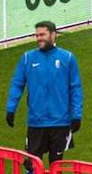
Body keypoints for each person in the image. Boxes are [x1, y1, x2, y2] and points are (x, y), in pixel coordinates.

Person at [5, 20, 84, 165]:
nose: (39, 38)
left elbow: (76, 88)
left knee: (56, 165)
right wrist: (11, 109)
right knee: (32, 165)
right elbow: (17, 85)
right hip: (37, 122)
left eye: (42, 34)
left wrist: (77, 115)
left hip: (60, 122)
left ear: (53, 35)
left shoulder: (67, 58)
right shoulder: (28, 58)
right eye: (37, 35)